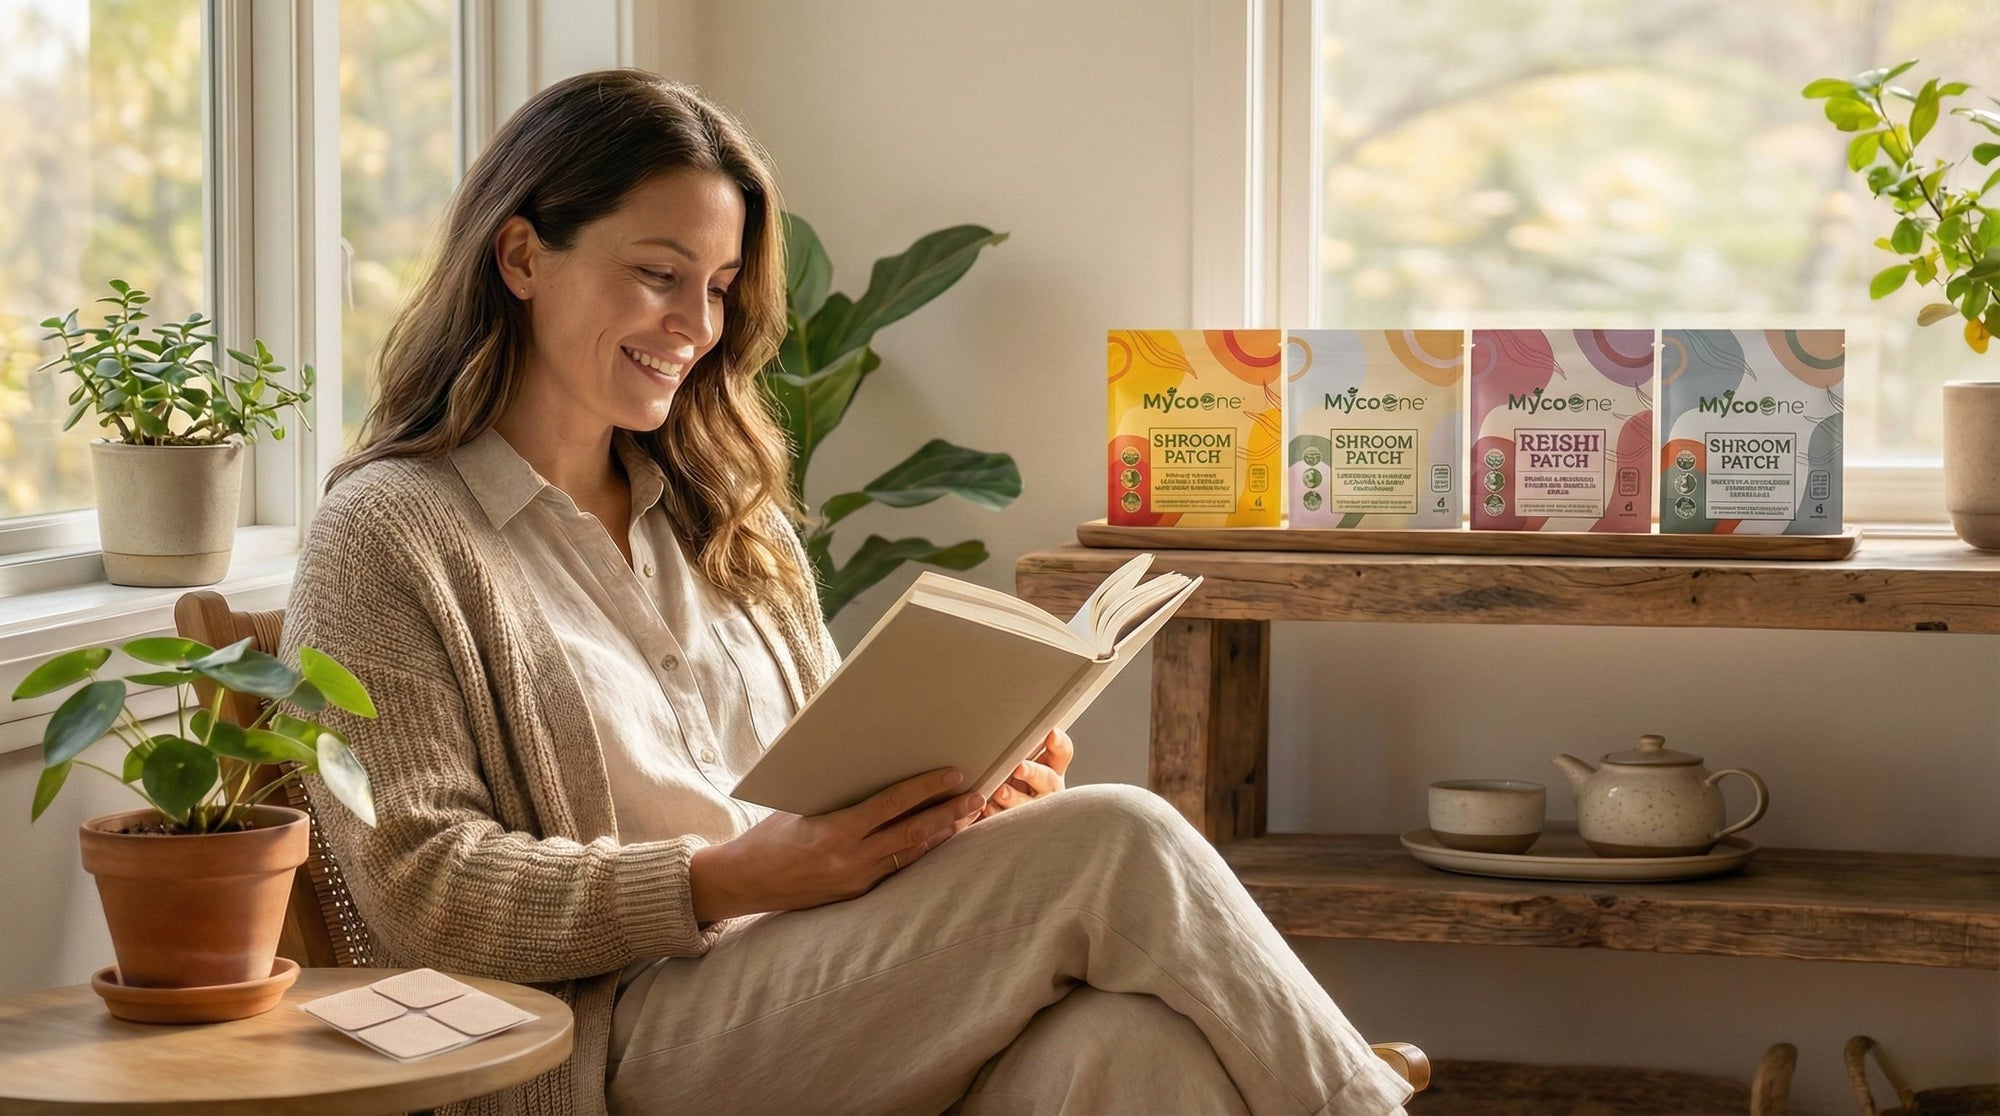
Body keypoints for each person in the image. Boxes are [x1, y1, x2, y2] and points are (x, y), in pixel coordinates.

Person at [284, 69, 1412, 1116]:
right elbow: (418, 883)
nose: (695, 325)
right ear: (521, 256)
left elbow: (824, 788)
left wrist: (949, 802)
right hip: (603, 1040)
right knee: (1114, 835)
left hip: (827, 976)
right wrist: (718, 877)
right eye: (656, 273)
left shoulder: (726, 515)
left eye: (719, 287)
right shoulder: (391, 533)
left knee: (1130, 1051)